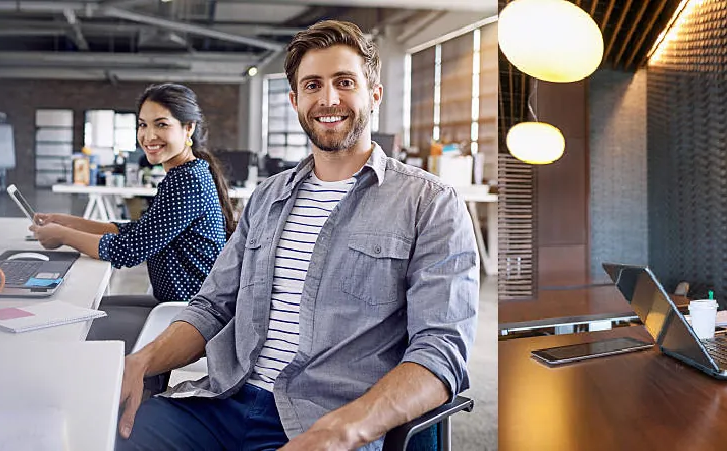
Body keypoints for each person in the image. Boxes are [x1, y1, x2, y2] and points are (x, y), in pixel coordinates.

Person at [115, 20, 479, 450]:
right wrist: (141, 361)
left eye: (345, 82)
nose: (328, 99)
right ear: (295, 100)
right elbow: (212, 307)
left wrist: (345, 429)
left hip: (325, 419)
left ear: (374, 94)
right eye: (312, 85)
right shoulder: (268, 197)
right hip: (223, 401)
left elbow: (441, 351)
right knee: (108, 434)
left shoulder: (430, 203)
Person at [30, 84, 235, 352]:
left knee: (73, 326)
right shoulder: (185, 173)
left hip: (185, 315)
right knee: (87, 310)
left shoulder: (187, 181)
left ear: (188, 128)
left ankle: (141, 377)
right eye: (142, 125)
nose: (148, 136)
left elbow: (128, 251)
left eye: (161, 124)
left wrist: (62, 235)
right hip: (174, 304)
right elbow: (139, 231)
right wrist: (67, 221)